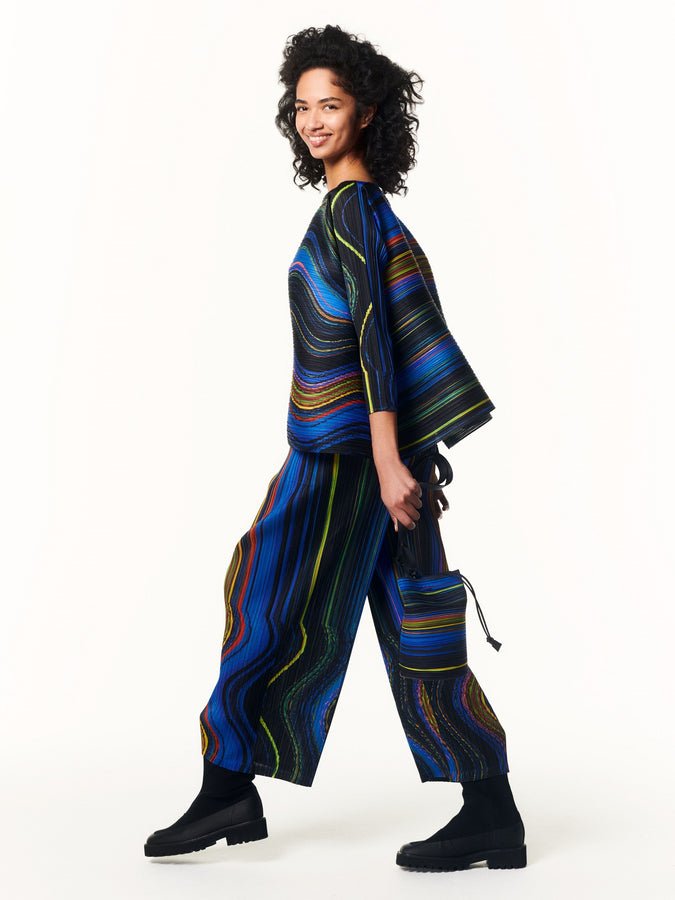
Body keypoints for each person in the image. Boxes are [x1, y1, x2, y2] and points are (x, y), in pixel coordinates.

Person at [144, 24, 526, 872]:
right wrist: (407, 462)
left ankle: (227, 786)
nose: (312, 119)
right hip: (376, 459)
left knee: (261, 593)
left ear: (366, 113)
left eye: (331, 104)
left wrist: (390, 463)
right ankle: (491, 810)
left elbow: (371, 343)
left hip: (346, 460)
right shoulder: (359, 208)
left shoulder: (352, 207)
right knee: (417, 621)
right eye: (302, 105)